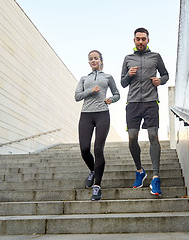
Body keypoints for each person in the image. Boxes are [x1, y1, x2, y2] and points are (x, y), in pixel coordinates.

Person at [121, 27, 169, 196]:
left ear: (148, 40)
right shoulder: (128, 58)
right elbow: (123, 83)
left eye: (143, 39)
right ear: (134, 40)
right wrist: (128, 74)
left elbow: (165, 75)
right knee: (132, 138)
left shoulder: (155, 57)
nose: (140, 41)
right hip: (133, 103)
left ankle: (155, 177)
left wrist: (159, 81)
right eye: (138, 39)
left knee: (153, 136)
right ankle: (140, 171)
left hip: (150, 102)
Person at [75, 50, 120, 201]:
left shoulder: (108, 77)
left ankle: (97, 186)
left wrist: (111, 100)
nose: (93, 60)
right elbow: (77, 96)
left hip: (102, 114)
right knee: (84, 149)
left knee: (98, 148)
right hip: (86, 114)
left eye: (96, 58)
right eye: (91, 59)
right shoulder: (83, 78)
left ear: (101, 60)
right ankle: (93, 170)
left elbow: (117, 94)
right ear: (89, 62)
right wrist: (90, 90)